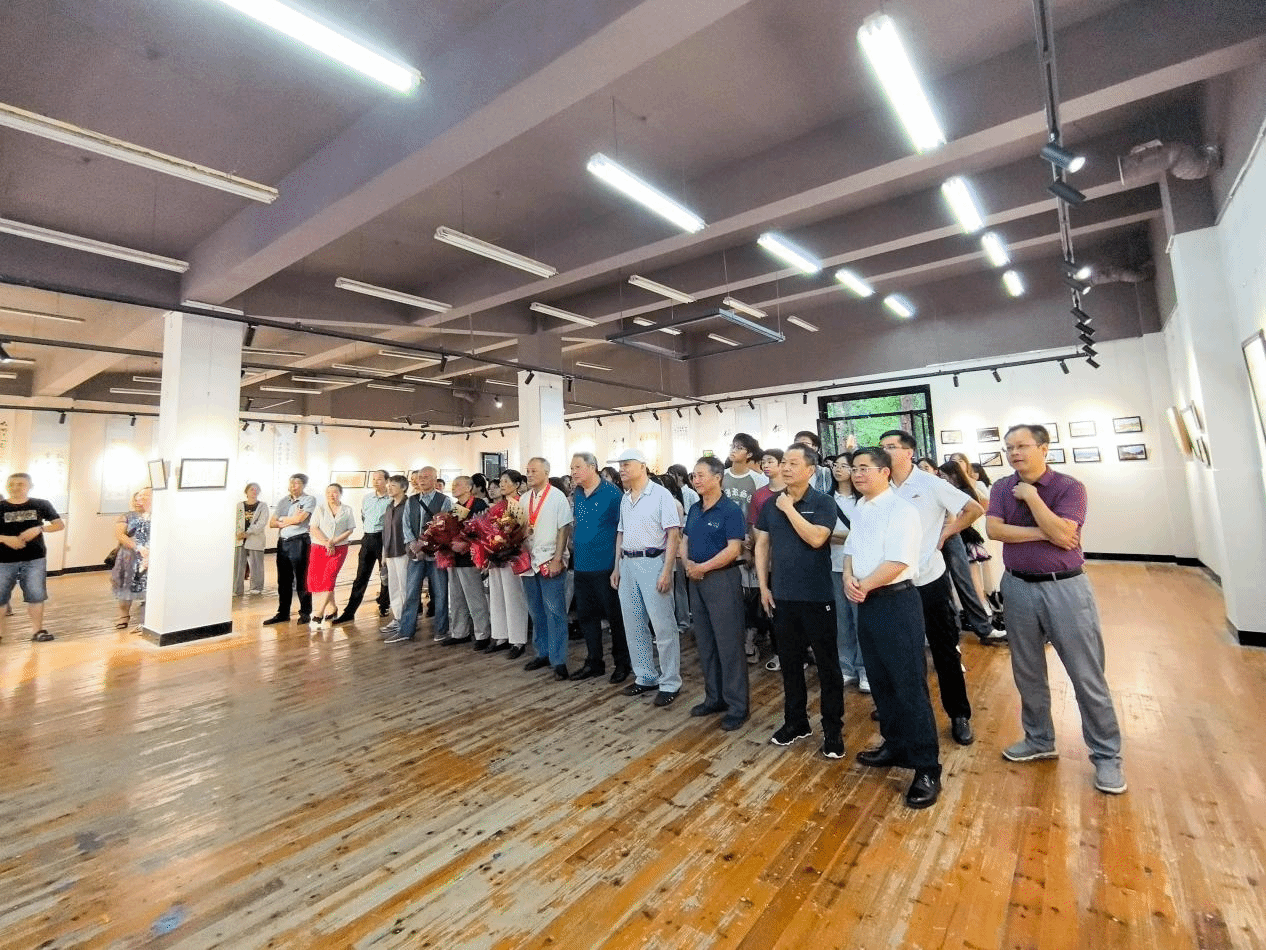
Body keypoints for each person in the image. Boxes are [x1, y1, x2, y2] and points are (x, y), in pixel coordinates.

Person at [987, 424, 1126, 795]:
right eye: (1009, 447)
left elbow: (1066, 535)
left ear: (1044, 448)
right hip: (1017, 587)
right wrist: (1046, 531)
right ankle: (1039, 740)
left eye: (1022, 446)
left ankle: (1107, 756)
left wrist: (1032, 498)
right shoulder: (1000, 488)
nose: (1014, 453)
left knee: (1086, 674)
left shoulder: (1069, 487)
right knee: (1027, 671)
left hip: (1065, 588)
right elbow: (996, 532)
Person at [844, 446, 942, 809]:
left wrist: (864, 585)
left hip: (896, 602)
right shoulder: (861, 506)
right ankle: (895, 745)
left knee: (908, 685)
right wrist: (849, 578)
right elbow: (851, 549)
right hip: (867, 601)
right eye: (854, 468)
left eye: (864, 468)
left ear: (885, 472)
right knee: (881, 681)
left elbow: (899, 560)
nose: (857, 474)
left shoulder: (902, 510)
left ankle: (927, 767)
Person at [879, 430, 984, 747]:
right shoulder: (881, 485)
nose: (885, 451)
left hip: (929, 578)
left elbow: (974, 508)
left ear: (909, 452)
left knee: (944, 649)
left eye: (891, 446)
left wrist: (946, 534)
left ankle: (959, 714)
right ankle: (902, 712)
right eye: (882, 447)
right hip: (891, 582)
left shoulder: (930, 483)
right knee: (899, 651)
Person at [755, 444, 844, 758]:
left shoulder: (823, 502)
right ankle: (796, 722)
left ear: (810, 470)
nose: (786, 467)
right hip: (782, 596)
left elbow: (817, 538)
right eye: (784, 462)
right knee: (790, 664)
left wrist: (790, 509)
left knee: (827, 666)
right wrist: (763, 586)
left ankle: (832, 729)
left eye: (794, 463)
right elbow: (762, 544)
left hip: (817, 596)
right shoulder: (770, 504)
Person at [681, 456, 749, 730]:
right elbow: (685, 540)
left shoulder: (730, 510)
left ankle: (737, 706)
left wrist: (703, 568)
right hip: (696, 580)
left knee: (729, 644)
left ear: (717, 477)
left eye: (700, 475)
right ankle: (714, 698)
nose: (695, 480)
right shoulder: (695, 509)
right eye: (693, 475)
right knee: (706, 642)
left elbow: (734, 549)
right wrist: (688, 564)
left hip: (721, 580)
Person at [612, 448, 682, 707]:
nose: (622, 469)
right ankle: (645, 676)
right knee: (633, 624)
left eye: (626, 464)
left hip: (653, 562)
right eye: (620, 465)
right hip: (628, 563)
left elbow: (673, 535)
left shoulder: (661, 495)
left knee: (663, 626)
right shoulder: (625, 498)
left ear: (642, 466)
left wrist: (666, 570)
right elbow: (620, 533)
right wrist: (617, 567)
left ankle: (670, 681)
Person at [569, 452, 631, 682]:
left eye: (577, 467)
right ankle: (594, 661)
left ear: (592, 467)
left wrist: (617, 566)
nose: (573, 472)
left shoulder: (612, 494)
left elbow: (622, 531)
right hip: (581, 566)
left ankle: (622, 662)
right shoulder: (577, 493)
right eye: (572, 468)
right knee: (586, 617)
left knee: (615, 618)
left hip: (605, 566)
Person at [937, 460, 1007, 644]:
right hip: (935, 542)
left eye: (927, 467)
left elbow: (978, 508)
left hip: (954, 538)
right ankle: (953, 633)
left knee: (966, 583)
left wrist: (947, 532)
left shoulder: (942, 487)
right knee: (944, 588)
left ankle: (983, 627)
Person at [520, 457, 574, 679]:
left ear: (546, 472)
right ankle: (542, 652)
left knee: (555, 611)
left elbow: (564, 528)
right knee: (536, 610)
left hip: (549, 558)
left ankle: (558, 659)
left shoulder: (557, 496)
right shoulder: (524, 498)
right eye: (528, 471)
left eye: (534, 471)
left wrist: (558, 558)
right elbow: (519, 527)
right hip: (528, 561)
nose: (529, 474)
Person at [0, 473, 65, 643]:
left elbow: (59, 525)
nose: (15, 487)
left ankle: (37, 631)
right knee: (0, 597)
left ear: (30, 486)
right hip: (3, 560)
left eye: (20, 484)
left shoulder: (41, 504)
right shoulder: (1, 506)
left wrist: (39, 529)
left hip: (34, 559)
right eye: (11, 484)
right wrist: (5, 539)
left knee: (36, 596)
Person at [722, 433, 768, 666]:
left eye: (739, 447)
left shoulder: (757, 479)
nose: (733, 450)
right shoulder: (721, 477)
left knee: (750, 596)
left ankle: (750, 640)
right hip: (724, 545)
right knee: (729, 595)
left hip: (749, 544)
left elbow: (759, 516)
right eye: (732, 446)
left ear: (749, 453)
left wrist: (752, 546)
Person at [829, 454, 867, 692]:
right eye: (836, 465)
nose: (838, 469)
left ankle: (864, 668)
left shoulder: (864, 499)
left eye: (845, 466)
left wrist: (836, 535)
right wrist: (851, 535)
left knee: (861, 619)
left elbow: (867, 533)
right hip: (834, 565)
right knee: (841, 620)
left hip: (862, 568)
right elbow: (821, 534)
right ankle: (846, 667)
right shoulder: (826, 499)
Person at [441, 475, 492, 649]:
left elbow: (484, 532)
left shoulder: (479, 505)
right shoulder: (455, 507)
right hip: (454, 558)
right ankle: (459, 632)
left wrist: (466, 544)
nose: (453, 487)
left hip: (470, 559)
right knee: (456, 598)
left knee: (475, 598)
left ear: (469, 488)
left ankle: (482, 634)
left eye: (458, 484)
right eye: (453, 484)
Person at [334, 469, 391, 623]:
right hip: (367, 538)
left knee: (385, 575)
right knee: (361, 576)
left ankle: (384, 604)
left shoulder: (391, 499)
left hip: (383, 538)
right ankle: (350, 611)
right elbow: (364, 516)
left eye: (379, 479)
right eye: (374, 479)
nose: (375, 482)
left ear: (387, 481)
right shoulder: (367, 498)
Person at [485, 469, 531, 656]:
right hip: (496, 556)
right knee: (497, 596)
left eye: (506, 481)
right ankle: (500, 635)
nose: (502, 485)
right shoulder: (497, 506)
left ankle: (518, 640)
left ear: (517, 484)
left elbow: (522, 530)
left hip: (513, 556)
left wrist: (507, 544)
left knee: (514, 597)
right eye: (501, 481)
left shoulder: (521, 503)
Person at [748, 447, 784, 672]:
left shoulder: (791, 490)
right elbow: (755, 526)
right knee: (772, 608)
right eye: (764, 462)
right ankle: (779, 652)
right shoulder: (759, 495)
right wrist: (758, 551)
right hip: (767, 559)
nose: (766, 465)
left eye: (771, 461)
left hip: (788, 560)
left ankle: (800, 652)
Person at [264, 473, 316, 626]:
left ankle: (305, 613)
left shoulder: (308, 499)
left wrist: (285, 520)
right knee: (283, 580)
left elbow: (300, 519)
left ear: (303, 485)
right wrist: (290, 520)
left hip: (299, 542)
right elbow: (272, 523)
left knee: (302, 579)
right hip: (283, 542)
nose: (293, 486)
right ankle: (283, 613)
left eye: (297, 483)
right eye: (291, 483)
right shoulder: (283, 501)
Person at [408, 467, 452, 639]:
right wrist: (414, 544)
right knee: (411, 592)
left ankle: (441, 629)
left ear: (435, 479)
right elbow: (405, 524)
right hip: (415, 553)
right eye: (420, 477)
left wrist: (426, 544)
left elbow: (446, 526)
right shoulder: (411, 500)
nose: (422, 480)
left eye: (426, 477)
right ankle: (406, 629)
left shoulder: (444, 500)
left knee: (440, 593)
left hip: (436, 554)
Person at [308, 483, 356, 630]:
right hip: (319, 547)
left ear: (340, 493)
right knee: (320, 580)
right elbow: (313, 527)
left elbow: (350, 529)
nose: (331, 495)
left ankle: (319, 612)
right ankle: (333, 608)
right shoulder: (320, 508)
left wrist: (334, 542)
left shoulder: (347, 509)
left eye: (335, 492)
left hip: (339, 548)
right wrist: (327, 543)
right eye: (328, 492)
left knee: (329, 577)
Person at [111, 488, 152, 629]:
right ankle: (123, 616)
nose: (139, 501)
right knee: (126, 586)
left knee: (148, 586)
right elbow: (120, 535)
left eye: (144, 498)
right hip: (129, 556)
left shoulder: (157, 516)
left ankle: (147, 620)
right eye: (137, 498)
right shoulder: (127, 516)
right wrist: (138, 547)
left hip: (150, 556)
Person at [379, 475, 410, 638]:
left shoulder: (408, 505)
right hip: (390, 551)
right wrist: (384, 553)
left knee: (405, 587)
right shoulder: (389, 505)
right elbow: (385, 530)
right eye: (388, 485)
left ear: (403, 487)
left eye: (393, 485)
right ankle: (398, 617)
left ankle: (407, 619)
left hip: (403, 551)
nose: (389, 488)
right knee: (394, 586)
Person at [234, 482, 268, 597]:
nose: (254, 491)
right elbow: (236, 521)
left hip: (255, 539)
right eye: (252, 489)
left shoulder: (262, 506)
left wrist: (248, 532)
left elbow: (262, 523)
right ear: (246, 492)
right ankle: (237, 589)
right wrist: (239, 533)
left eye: (256, 489)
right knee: (238, 566)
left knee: (257, 565)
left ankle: (256, 587)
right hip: (240, 539)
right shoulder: (239, 505)